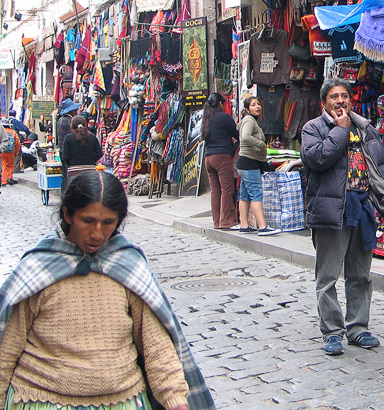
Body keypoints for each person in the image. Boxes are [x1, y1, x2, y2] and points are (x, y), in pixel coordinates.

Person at [0, 170, 216, 410]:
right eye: (88, 221)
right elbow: (6, 348)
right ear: (68, 215)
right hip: (41, 400)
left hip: (122, 401)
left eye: (108, 223)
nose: (97, 234)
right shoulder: (38, 269)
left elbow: (156, 345)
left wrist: (176, 401)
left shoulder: (128, 266)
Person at [301, 78, 384, 356]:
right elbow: (317, 159)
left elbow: (381, 164)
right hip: (332, 210)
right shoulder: (313, 128)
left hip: (362, 207)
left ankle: (358, 328)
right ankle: (332, 331)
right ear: (324, 103)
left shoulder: (365, 127)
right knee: (328, 275)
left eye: (344, 96)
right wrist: (340, 131)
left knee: (360, 274)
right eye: (333, 97)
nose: (339, 101)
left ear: (351, 100)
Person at [236, 96, 277, 236]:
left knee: (245, 195)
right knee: (256, 193)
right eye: (253, 105)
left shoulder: (251, 121)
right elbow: (245, 137)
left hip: (245, 162)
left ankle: (244, 225)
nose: (257, 107)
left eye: (258, 104)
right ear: (247, 109)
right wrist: (261, 145)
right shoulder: (249, 121)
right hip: (249, 163)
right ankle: (262, 226)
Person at [201, 93, 239, 230]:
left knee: (215, 191)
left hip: (208, 158)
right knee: (227, 189)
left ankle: (217, 221)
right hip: (222, 157)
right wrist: (233, 147)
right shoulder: (224, 117)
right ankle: (227, 221)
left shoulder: (206, 118)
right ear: (221, 104)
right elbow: (237, 134)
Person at [7, 111, 30, 175]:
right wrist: (29, 133)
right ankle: (16, 168)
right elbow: (24, 128)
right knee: (18, 153)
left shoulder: (5, 121)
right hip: (14, 139)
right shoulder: (14, 121)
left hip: (6, 141)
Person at [0, 120, 20, 186]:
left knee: (3, 165)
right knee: (10, 165)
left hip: (2, 151)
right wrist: (17, 151)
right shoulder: (13, 131)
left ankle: (3, 181)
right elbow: (17, 142)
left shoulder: (2, 130)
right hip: (11, 151)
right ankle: (9, 177)